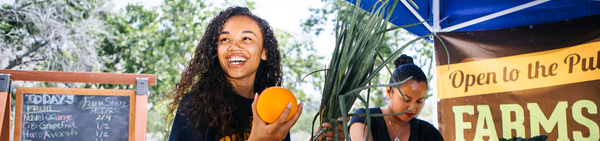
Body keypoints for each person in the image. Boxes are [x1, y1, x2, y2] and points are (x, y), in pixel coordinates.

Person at [166, 7, 343, 141]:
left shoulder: (276, 106)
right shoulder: (195, 106)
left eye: (247, 38)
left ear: (264, 52)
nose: (234, 46)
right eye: (225, 39)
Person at [348, 54, 444, 141]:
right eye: (406, 100)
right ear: (389, 92)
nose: (412, 108)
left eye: (419, 101)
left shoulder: (428, 132)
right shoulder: (364, 119)